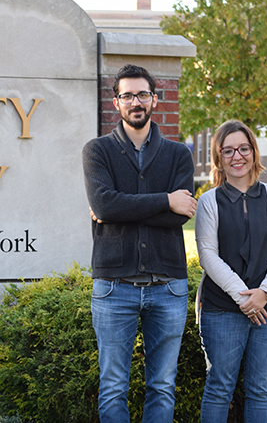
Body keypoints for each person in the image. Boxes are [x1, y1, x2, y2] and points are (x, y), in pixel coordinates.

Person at [82, 64, 197, 423]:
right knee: (113, 385)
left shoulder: (179, 154)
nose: (136, 102)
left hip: (169, 287)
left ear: (155, 100)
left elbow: (182, 215)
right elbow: (104, 204)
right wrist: (165, 200)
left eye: (143, 94)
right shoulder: (97, 151)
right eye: (128, 95)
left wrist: (120, 207)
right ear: (116, 102)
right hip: (114, 286)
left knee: (162, 385)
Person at [195, 120, 267, 423]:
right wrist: (244, 298)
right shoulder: (209, 201)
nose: (236, 156)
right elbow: (208, 256)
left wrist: (264, 293)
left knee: (261, 389)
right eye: (228, 151)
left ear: (253, 152)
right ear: (218, 158)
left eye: (243, 148)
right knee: (218, 387)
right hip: (222, 309)